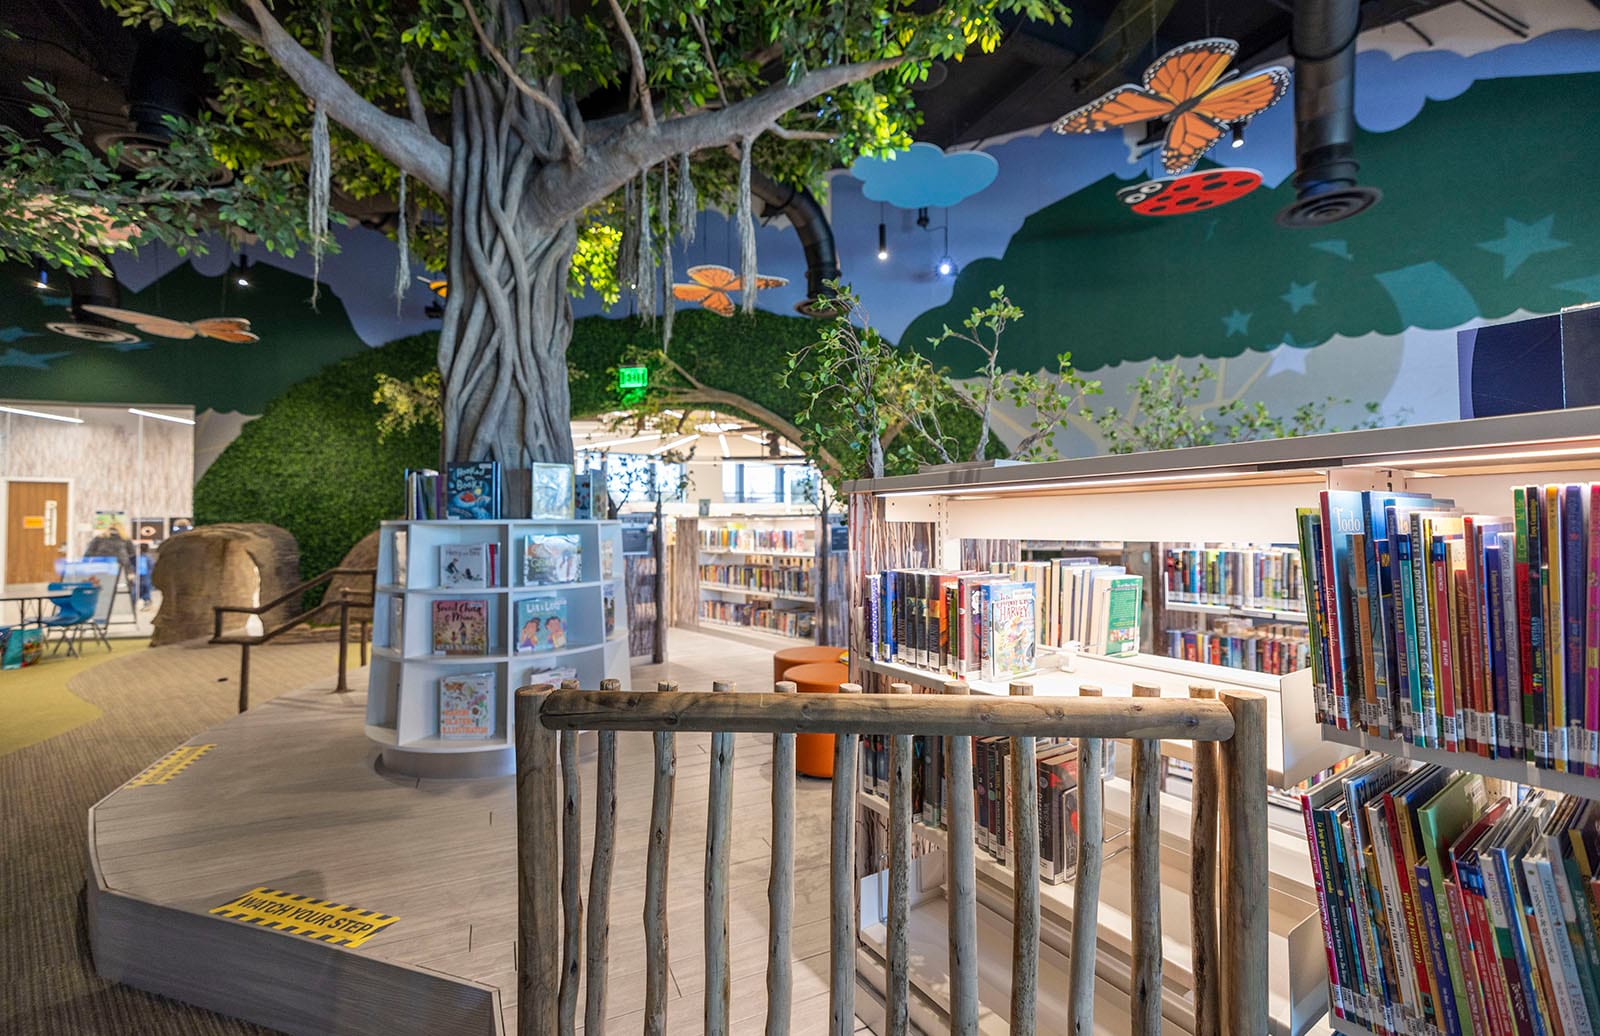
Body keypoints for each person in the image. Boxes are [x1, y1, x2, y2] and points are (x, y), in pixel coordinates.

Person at [136, 543, 154, 610]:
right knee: (144, 589)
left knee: (145, 590)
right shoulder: (148, 557)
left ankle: (147, 603)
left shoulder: (145, 557)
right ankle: (147, 602)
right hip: (145, 576)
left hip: (145, 576)